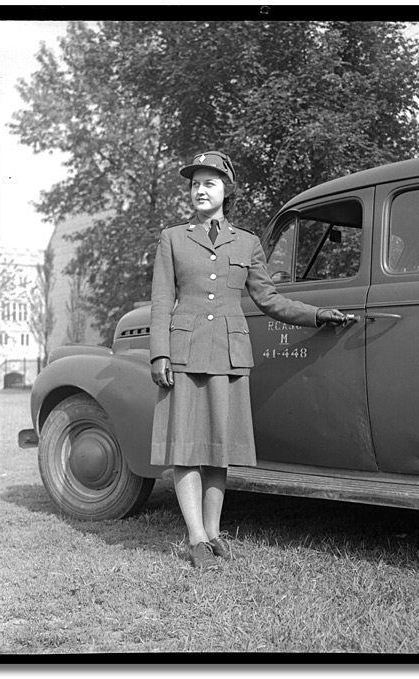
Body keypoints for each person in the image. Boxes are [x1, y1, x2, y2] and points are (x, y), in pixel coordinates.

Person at [149, 151, 346, 569]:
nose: (200, 190)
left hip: (227, 355)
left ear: (227, 191)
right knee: (184, 448)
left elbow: (268, 299)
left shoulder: (248, 242)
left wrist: (316, 315)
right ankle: (196, 538)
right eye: (194, 184)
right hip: (184, 354)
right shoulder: (173, 238)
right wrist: (160, 353)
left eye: (210, 183)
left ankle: (215, 532)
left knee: (218, 450)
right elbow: (163, 299)